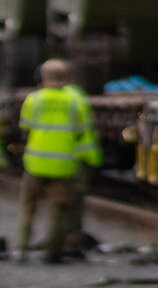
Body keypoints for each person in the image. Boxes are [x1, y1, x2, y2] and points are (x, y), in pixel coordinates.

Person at [15, 57, 100, 263]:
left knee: (28, 207)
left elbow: (24, 129)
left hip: (35, 163)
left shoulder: (33, 99)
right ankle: (52, 252)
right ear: (65, 78)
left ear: (43, 77)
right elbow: (82, 132)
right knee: (58, 209)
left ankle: (21, 249)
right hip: (63, 165)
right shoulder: (74, 101)